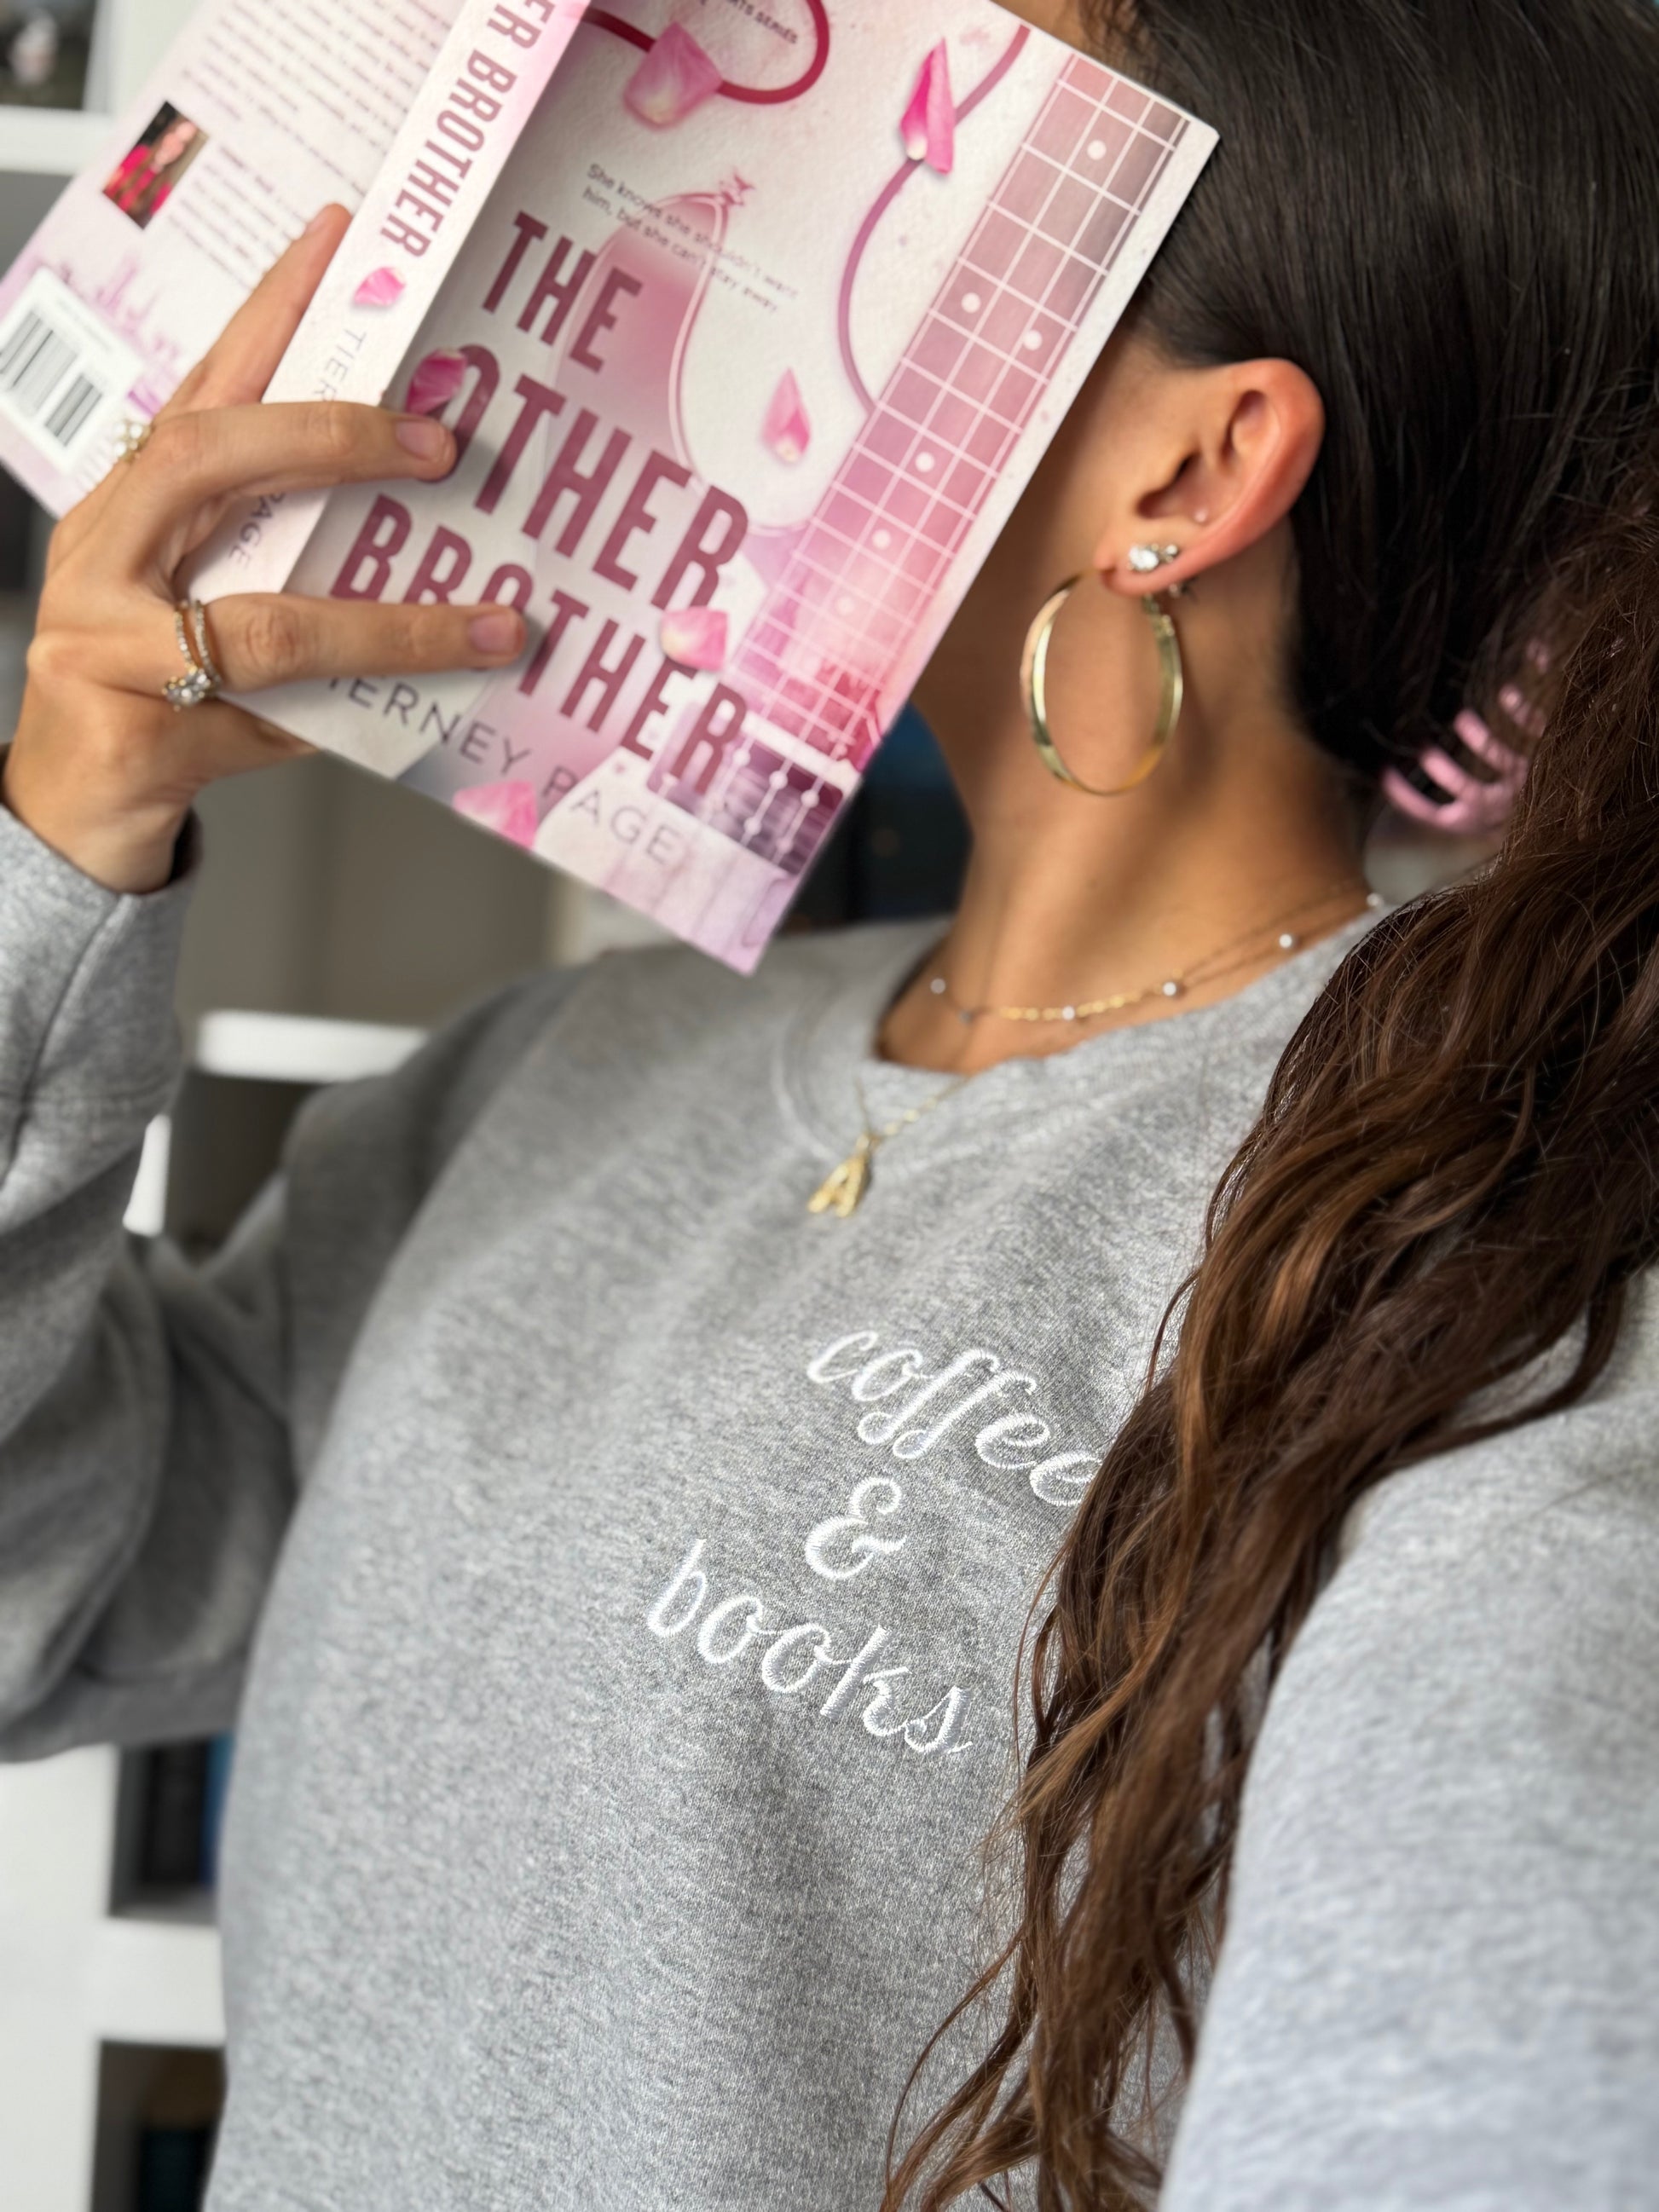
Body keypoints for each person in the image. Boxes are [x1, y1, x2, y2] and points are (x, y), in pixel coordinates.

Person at [3, 1, 1657, 2205]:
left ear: (1184, 473)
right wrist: (66, 835)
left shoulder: (1478, 1262)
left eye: (929, 161)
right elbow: (43, 1591)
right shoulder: (563, 1070)